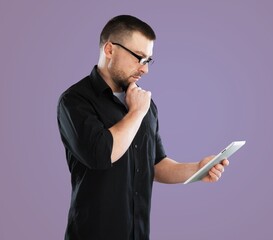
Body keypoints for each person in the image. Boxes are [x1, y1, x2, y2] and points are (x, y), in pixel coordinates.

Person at [57, 15, 229, 240]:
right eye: (139, 57)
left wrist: (197, 168)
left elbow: (156, 164)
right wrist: (136, 112)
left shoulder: (144, 103)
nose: (144, 69)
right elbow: (102, 155)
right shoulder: (75, 101)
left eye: (147, 60)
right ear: (110, 49)